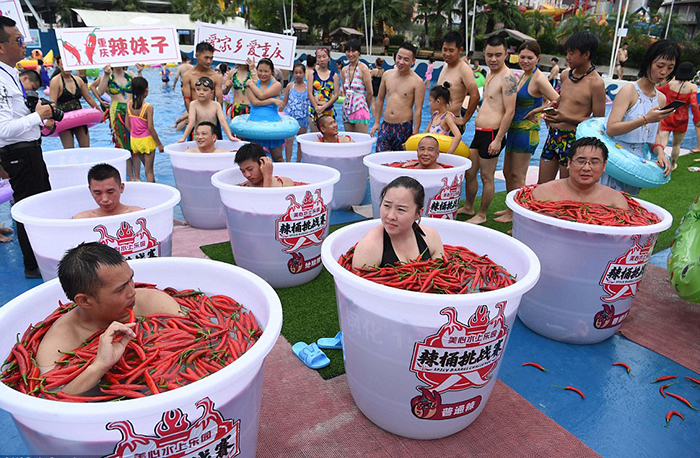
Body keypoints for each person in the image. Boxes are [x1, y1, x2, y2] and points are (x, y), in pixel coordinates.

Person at [34, 242, 182, 395]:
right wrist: (99, 366)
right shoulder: (58, 344)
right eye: (120, 289)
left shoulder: (153, 302)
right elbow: (52, 397)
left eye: (131, 279)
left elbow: (204, 340)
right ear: (84, 301)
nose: (132, 292)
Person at [0, 16, 54, 278]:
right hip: (18, 154)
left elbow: (16, 116)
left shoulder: (10, 73)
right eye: (19, 40)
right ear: (1, 46)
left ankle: (39, 258)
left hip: (29, 149)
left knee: (40, 204)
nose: (24, 45)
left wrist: (40, 119)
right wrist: (38, 116)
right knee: (28, 208)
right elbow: (3, 130)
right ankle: (33, 265)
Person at [495, 40, 560, 224]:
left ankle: (518, 215)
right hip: (514, 130)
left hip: (526, 132)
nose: (525, 60)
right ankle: (510, 209)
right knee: (508, 172)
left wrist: (538, 112)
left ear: (537, 58)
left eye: (529, 58)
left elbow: (558, 101)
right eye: (522, 57)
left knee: (518, 175)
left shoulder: (538, 78)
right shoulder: (524, 75)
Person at [603, 40, 677, 195]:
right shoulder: (629, 91)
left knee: (627, 208)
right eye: (660, 66)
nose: (664, 72)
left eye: (670, 68)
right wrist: (645, 119)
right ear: (649, 62)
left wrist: (661, 153)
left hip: (637, 163)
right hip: (617, 158)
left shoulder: (661, 98)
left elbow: (653, 136)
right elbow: (611, 128)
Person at [459, 35, 517, 225]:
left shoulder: (508, 78)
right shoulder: (490, 73)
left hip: (492, 134)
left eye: (498, 55)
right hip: (479, 132)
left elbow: (510, 111)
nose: (493, 59)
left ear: (506, 54)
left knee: (486, 177)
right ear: (484, 53)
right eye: (490, 55)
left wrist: (498, 139)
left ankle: (482, 214)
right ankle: (469, 207)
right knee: (470, 172)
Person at [539, 32, 606, 184]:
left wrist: (565, 118)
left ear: (586, 54)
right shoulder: (565, 75)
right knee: (542, 186)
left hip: (573, 139)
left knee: (568, 188)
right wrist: (550, 113)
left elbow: (598, 122)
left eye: (571, 53)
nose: (567, 57)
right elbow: (564, 101)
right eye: (567, 52)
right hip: (553, 135)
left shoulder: (596, 83)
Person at [351, 176, 444, 269]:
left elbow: (442, 272)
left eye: (401, 209)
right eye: (387, 205)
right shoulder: (369, 248)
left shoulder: (431, 238)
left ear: (418, 213)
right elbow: (358, 281)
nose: (391, 216)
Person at [532, 137, 629, 210]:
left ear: (604, 166)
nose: (586, 168)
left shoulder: (615, 200)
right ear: (569, 163)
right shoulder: (544, 193)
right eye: (581, 161)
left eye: (594, 162)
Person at [371, 42, 425, 151]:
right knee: (380, 158)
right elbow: (380, 99)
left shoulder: (417, 82)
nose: (401, 62)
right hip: (386, 125)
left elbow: (418, 109)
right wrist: (377, 122)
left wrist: (415, 132)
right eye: (399, 58)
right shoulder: (387, 75)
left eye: (406, 59)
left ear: (413, 61)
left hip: (403, 127)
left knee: (400, 162)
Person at [92, 65, 140, 181]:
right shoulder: (107, 76)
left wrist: (140, 72)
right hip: (117, 110)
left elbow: (140, 89)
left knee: (135, 144)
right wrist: (106, 74)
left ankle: (137, 177)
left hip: (132, 109)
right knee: (123, 144)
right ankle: (131, 177)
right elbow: (100, 91)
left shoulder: (131, 75)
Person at [49, 55, 100, 149]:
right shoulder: (56, 81)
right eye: (63, 64)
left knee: (86, 148)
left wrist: (100, 111)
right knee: (69, 150)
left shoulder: (78, 80)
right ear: (58, 65)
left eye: (68, 64)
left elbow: (88, 98)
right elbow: (53, 102)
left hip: (79, 118)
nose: (66, 67)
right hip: (63, 119)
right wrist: (50, 119)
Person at [657, 62, 700, 170]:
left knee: (662, 141)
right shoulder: (692, 87)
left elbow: (658, 91)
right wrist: (697, 120)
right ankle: (672, 165)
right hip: (682, 119)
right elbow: (694, 105)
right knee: (676, 145)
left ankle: (659, 161)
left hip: (668, 115)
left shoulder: (671, 84)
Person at [436, 31, 479, 132]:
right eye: (444, 49)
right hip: (438, 121)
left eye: (451, 50)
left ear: (460, 50)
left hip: (452, 123)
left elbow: (475, 95)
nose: (447, 54)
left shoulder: (464, 69)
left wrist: (464, 120)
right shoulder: (445, 66)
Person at [246, 58, 286, 162]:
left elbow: (261, 95)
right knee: (255, 158)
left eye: (266, 71)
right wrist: (272, 100)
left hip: (272, 123)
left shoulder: (276, 85)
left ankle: (281, 177)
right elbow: (255, 102)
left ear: (272, 72)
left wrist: (250, 84)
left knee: (278, 157)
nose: (263, 74)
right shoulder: (253, 83)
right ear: (257, 70)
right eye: (260, 71)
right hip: (255, 122)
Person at [125, 77, 164, 183]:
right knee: (149, 171)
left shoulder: (129, 105)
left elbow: (127, 125)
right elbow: (151, 128)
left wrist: (135, 133)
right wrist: (159, 144)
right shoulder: (148, 107)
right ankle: (153, 195)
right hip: (147, 141)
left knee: (146, 167)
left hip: (135, 141)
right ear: (146, 90)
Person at [178, 76, 237, 143]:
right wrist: (183, 138)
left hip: (212, 137)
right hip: (198, 137)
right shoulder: (193, 104)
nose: (201, 92)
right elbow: (191, 123)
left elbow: (223, 122)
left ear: (212, 92)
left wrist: (230, 136)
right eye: (198, 89)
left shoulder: (216, 105)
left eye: (205, 90)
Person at [73, 163, 143, 219]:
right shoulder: (82, 220)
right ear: (90, 190)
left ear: (121, 188)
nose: (105, 199)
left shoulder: (139, 214)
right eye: (97, 193)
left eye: (110, 192)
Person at [342, 39, 373, 134]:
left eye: (353, 51)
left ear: (359, 52)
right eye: (348, 51)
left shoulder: (363, 69)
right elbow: (344, 90)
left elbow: (370, 92)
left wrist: (365, 107)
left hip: (359, 108)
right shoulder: (344, 70)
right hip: (347, 109)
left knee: (361, 141)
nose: (350, 54)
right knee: (349, 141)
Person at [181, 42, 222, 112]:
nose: (209, 61)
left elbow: (219, 100)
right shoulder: (188, 76)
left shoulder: (216, 77)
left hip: (211, 116)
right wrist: (193, 117)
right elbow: (187, 99)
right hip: (195, 115)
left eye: (211, 58)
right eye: (206, 58)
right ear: (197, 56)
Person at [282, 63, 310, 162]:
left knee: (300, 142)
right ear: (293, 73)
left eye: (300, 73)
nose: (298, 75)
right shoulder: (290, 86)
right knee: (289, 140)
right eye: (296, 73)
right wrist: (278, 113)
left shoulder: (308, 87)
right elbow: (284, 102)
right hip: (291, 118)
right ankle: (288, 161)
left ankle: (298, 162)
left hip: (303, 118)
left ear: (304, 73)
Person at [307, 48, 339, 132]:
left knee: (329, 138)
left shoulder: (334, 75)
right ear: (316, 59)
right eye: (319, 57)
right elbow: (310, 93)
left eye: (324, 57)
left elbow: (336, 95)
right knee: (315, 138)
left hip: (329, 110)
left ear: (329, 58)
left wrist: (324, 106)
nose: (322, 59)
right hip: (314, 110)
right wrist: (317, 108)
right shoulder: (312, 74)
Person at [424, 82, 461, 154]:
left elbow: (458, 136)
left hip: (441, 153)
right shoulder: (434, 115)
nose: (429, 103)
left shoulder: (447, 117)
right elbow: (425, 133)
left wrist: (448, 153)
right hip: (431, 152)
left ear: (438, 101)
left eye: (430, 100)